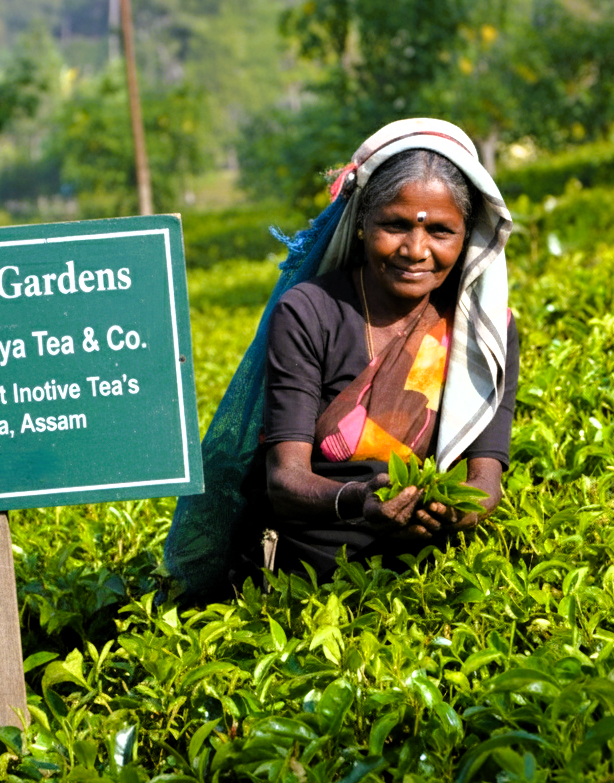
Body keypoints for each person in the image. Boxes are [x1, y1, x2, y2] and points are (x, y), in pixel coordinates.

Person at [164, 118, 517, 595]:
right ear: (360, 223)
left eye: (440, 231)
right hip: (305, 576)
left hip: (421, 577)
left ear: (466, 235)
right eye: (394, 225)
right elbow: (285, 481)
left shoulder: (481, 332)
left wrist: (447, 512)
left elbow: (485, 483)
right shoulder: (311, 313)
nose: (416, 250)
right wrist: (359, 502)